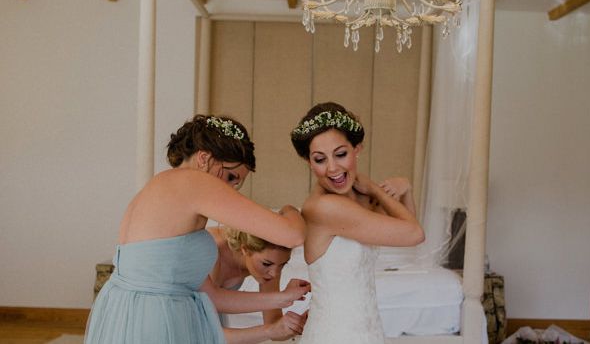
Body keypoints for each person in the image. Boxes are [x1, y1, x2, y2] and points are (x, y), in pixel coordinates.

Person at [85, 114, 306, 344]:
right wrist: (292, 210)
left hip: (131, 311)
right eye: (230, 177)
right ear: (203, 158)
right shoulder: (193, 183)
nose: (231, 190)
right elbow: (293, 235)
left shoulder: (164, 186)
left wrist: (282, 299)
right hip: (153, 318)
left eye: (237, 184)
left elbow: (213, 297)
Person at [290, 101, 425, 344]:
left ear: (357, 149)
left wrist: (406, 191)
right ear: (309, 162)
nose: (332, 168)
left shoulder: (359, 200)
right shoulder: (324, 207)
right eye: (320, 159)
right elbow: (414, 233)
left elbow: (406, 231)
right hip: (335, 335)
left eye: (340, 154)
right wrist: (377, 189)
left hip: (368, 329)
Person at [205, 226, 309, 334]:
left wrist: (297, 324)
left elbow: (274, 324)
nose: (274, 274)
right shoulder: (212, 252)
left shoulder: (272, 264)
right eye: (266, 264)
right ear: (245, 249)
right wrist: (283, 298)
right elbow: (206, 332)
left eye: (283, 264)